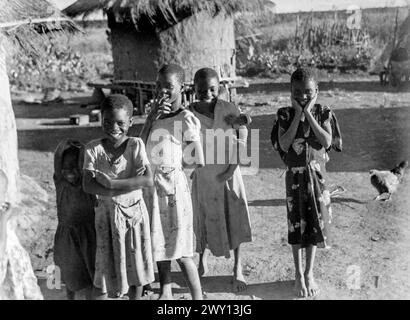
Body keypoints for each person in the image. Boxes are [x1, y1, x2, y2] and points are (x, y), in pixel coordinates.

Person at [273, 67, 340, 298]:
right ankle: (298, 274)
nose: (303, 96)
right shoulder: (284, 114)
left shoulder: (323, 112)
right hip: (295, 178)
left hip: (317, 179)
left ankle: (310, 272)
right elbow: (284, 144)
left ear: (317, 92)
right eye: (298, 92)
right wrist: (298, 116)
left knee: (315, 224)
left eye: (308, 92)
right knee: (296, 225)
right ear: (291, 92)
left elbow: (326, 141)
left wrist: (309, 113)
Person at [140, 64, 204, 300]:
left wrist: (174, 170)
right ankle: (165, 290)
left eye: (168, 86)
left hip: (173, 187)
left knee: (181, 248)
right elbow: (140, 147)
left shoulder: (185, 118)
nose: (162, 91)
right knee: (159, 242)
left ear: (182, 88)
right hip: (153, 187)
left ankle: (198, 297)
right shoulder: (155, 117)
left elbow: (198, 157)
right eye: (158, 86)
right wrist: (149, 120)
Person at [82, 94, 155, 300]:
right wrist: (116, 192)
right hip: (106, 217)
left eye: (120, 122)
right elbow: (88, 184)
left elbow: (148, 179)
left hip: (133, 217)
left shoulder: (136, 145)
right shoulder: (93, 149)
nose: (114, 127)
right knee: (105, 265)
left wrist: (113, 185)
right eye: (108, 122)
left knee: (136, 265)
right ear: (101, 120)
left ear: (131, 122)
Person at [189, 67, 252, 292]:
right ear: (193, 89)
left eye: (213, 89)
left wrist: (231, 169)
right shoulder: (189, 114)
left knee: (234, 218)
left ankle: (237, 268)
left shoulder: (228, 109)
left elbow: (241, 135)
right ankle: (201, 260)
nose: (208, 93)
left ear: (220, 89)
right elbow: (185, 144)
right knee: (202, 219)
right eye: (202, 89)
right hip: (204, 176)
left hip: (228, 174)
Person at [53, 139, 96, 300]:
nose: (70, 172)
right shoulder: (61, 183)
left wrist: (81, 148)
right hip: (67, 236)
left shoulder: (86, 183)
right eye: (65, 169)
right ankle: (69, 296)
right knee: (69, 272)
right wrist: (65, 143)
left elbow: (83, 161)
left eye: (74, 168)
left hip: (89, 234)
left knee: (90, 272)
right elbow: (58, 157)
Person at [0, 170, 43, 300]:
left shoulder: (3, 211)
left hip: (17, 275)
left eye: (2, 192)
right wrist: (4, 219)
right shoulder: (3, 217)